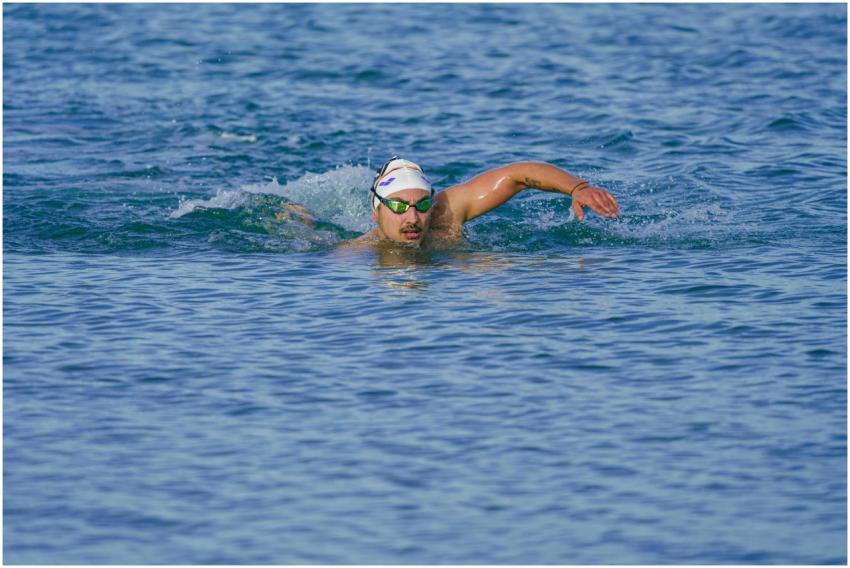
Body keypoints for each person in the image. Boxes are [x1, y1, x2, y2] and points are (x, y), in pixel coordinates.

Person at [348, 156, 619, 249]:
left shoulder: (445, 214)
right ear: (376, 212)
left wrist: (579, 187)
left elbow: (516, 176)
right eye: (397, 206)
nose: (412, 218)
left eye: (421, 205)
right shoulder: (357, 253)